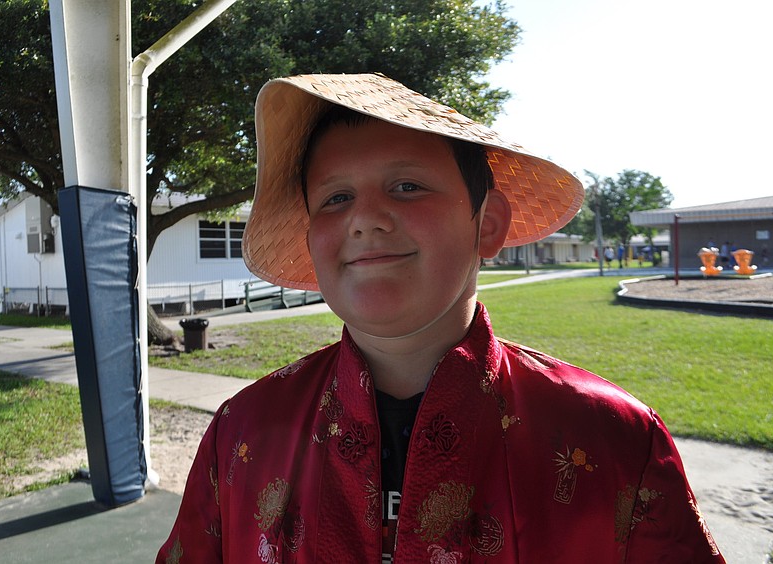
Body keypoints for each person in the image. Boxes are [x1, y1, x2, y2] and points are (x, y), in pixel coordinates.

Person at [156, 73, 724, 563]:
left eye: (406, 187)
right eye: (335, 198)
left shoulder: (613, 441)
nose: (366, 219)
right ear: (312, 239)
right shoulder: (242, 431)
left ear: (489, 224)